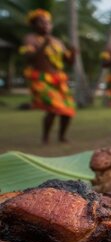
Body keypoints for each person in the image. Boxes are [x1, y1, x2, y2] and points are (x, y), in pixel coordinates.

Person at [19, 9, 75, 144]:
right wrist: (44, 45)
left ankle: (62, 136)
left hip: (59, 79)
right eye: (41, 23)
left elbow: (69, 62)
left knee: (68, 109)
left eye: (48, 23)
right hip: (41, 79)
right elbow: (29, 58)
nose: (45, 25)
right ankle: (45, 137)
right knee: (54, 107)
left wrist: (73, 54)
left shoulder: (57, 42)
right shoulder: (30, 39)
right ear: (33, 25)